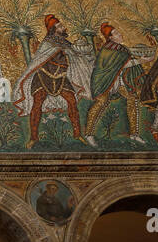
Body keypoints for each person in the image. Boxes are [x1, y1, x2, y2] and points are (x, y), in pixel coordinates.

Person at [12, 15, 87, 148]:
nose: (63, 27)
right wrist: (62, 50)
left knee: (72, 101)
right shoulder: (48, 42)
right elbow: (42, 57)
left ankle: (77, 134)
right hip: (43, 76)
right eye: (59, 26)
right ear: (53, 29)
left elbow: (75, 54)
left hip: (61, 77)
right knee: (37, 104)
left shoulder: (66, 42)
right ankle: (33, 138)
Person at [84, 24, 147, 145]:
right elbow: (120, 65)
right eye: (117, 33)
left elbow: (124, 64)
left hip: (119, 81)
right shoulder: (108, 49)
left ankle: (134, 134)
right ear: (111, 37)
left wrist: (139, 60)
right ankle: (89, 134)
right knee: (101, 102)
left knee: (132, 99)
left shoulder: (121, 49)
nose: (120, 35)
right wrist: (141, 61)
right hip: (105, 82)